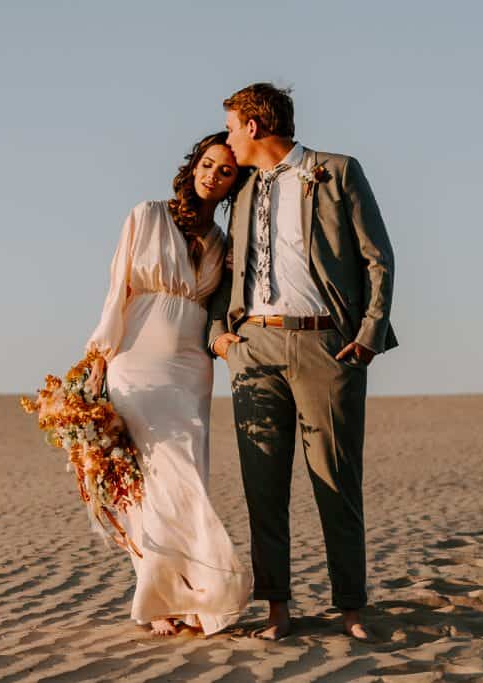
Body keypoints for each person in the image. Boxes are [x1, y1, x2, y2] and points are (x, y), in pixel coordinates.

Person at [208, 83, 398, 641]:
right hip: (253, 351)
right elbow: (227, 268)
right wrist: (221, 333)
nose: (227, 139)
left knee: (336, 483)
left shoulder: (336, 172)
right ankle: (277, 612)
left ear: (256, 126)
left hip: (327, 347)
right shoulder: (241, 190)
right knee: (262, 488)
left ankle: (352, 610)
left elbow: (377, 257)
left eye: (231, 127)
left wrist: (368, 335)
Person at [86, 132, 253, 636]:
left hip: (191, 368)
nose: (213, 176)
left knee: (188, 475)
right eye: (207, 164)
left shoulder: (224, 243)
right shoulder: (147, 214)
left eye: (225, 171)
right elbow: (119, 289)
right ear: (193, 165)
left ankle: (194, 594)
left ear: (232, 184)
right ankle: (161, 596)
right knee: (154, 477)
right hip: (137, 360)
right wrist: (98, 356)